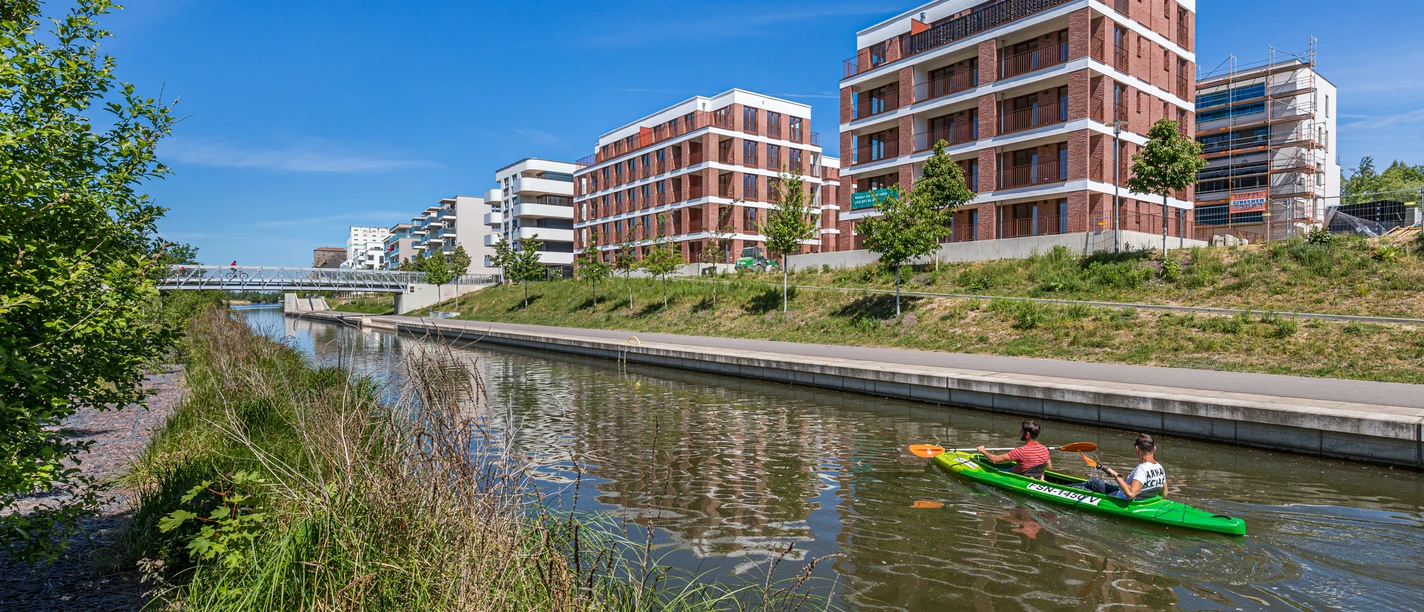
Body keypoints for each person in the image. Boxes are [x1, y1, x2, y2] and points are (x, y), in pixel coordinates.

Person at [1082, 434, 1167, 500]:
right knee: (1099, 484)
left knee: (1093, 482)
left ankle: (1069, 491)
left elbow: (1130, 494)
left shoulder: (1142, 469)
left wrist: (1116, 475)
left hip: (1120, 499)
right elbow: (1164, 493)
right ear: (1154, 448)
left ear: (1137, 448)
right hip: (1141, 500)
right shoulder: (1160, 467)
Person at [977, 420, 1051, 476]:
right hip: (1034, 476)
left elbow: (994, 460)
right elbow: (1049, 467)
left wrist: (983, 451)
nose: (1020, 432)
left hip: (1014, 476)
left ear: (1027, 434)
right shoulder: (1045, 450)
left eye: (1022, 430)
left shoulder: (1020, 451)